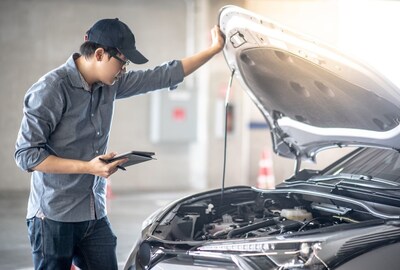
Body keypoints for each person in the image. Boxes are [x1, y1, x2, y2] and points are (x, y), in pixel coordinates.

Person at [14, 18, 225, 270]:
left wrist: (213, 50)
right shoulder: (51, 90)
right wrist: (88, 167)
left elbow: (164, 74)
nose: (123, 70)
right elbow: (27, 155)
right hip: (53, 216)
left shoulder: (110, 86)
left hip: (93, 212)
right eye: (123, 63)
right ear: (100, 54)